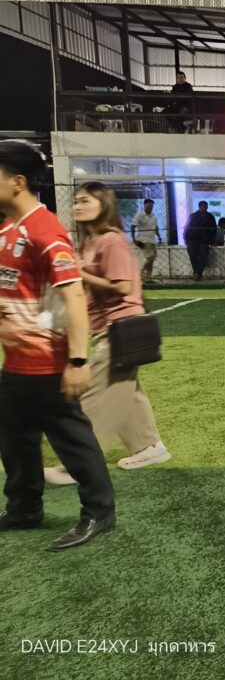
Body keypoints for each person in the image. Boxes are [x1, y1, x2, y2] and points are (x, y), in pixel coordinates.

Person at [0, 140, 116, 551]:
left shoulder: (45, 230)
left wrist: (77, 360)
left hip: (48, 361)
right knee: (14, 438)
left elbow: (73, 297)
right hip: (15, 361)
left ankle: (99, 511)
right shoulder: (7, 229)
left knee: (72, 440)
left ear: (17, 182)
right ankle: (24, 507)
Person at [45, 182, 170, 486]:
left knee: (95, 397)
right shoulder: (88, 243)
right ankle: (149, 447)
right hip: (107, 327)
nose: (78, 206)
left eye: (85, 201)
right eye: (76, 201)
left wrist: (80, 274)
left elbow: (123, 287)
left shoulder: (111, 240)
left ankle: (77, 465)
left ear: (103, 205)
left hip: (120, 328)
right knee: (127, 391)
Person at [184, 201, 216, 280]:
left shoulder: (195, 216)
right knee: (195, 257)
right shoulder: (208, 216)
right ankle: (198, 273)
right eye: (203, 206)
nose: (204, 208)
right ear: (199, 207)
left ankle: (197, 273)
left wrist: (186, 238)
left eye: (205, 207)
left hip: (200, 240)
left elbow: (186, 227)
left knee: (201, 257)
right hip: (197, 240)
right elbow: (213, 229)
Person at [130, 198, 161, 283]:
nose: (150, 207)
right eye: (148, 205)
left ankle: (148, 277)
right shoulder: (139, 215)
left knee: (152, 259)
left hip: (152, 240)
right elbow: (133, 226)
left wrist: (159, 237)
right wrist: (134, 239)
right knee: (149, 258)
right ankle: (140, 274)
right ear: (144, 205)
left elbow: (156, 227)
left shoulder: (153, 216)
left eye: (151, 206)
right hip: (143, 240)